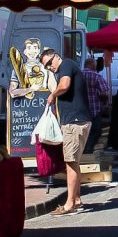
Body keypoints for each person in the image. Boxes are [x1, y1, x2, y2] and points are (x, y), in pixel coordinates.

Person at [41, 47, 92, 216]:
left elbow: (65, 85)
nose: (49, 67)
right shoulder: (65, 67)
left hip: (74, 122)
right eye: (46, 66)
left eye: (49, 63)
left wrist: (53, 95)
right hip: (76, 121)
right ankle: (76, 199)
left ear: (55, 56)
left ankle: (69, 204)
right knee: (73, 162)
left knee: (70, 162)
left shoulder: (66, 65)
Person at [82, 57, 111, 156]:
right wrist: (104, 103)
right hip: (94, 109)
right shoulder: (96, 76)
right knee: (96, 130)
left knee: (84, 131)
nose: (96, 66)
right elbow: (103, 93)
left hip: (81, 110)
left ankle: (83, 150)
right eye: (94, 64)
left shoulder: (78, 75)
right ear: (92, 65)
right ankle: (88, 150)